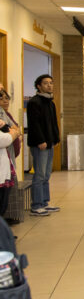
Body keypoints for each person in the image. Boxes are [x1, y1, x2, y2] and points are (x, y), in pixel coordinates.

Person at [26, 74, 60, 216]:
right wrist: (41, 141)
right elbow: (34, 124)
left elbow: (53, 123)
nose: (49, 85)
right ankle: (36, 205)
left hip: (50, 142)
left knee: (46, 174)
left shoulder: (50, 103)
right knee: (39, 175)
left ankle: (44, 202)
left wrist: (56, 138)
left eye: (51, 83)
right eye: (46, 83)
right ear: (39, 86)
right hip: (40, 144)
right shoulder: (35, 102)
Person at [0, 90, 23, 226]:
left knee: (3, 201)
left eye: (6, 98)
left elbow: (14, 128)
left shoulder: (4, 115)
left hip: (5, 164)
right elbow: (5, 138)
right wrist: (13, 134)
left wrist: (13, 132)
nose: (5, 101)